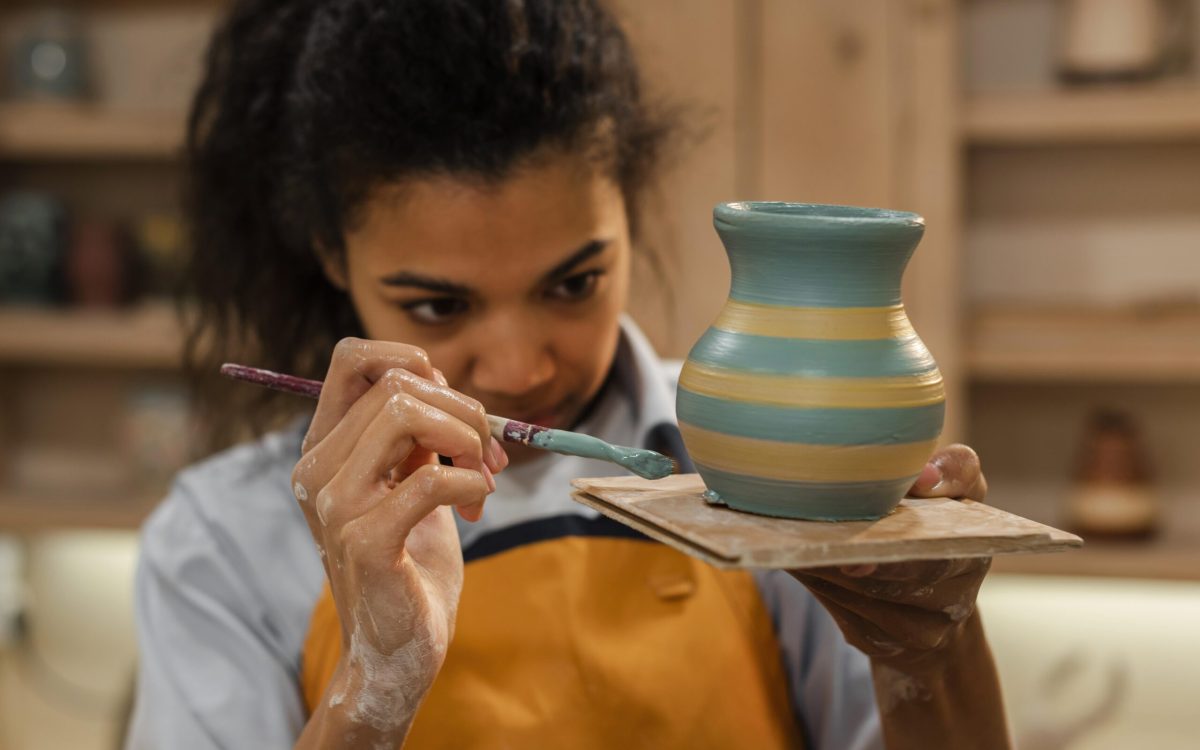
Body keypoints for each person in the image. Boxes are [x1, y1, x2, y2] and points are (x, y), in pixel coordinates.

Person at [126, 1, 1009, 748]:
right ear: (331, 255)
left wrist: (933, 652)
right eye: (438, 306)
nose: (518, 367)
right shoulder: (219, 544)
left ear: (630, 211)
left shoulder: (765, 468)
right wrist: (372, 693)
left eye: (572, 284)